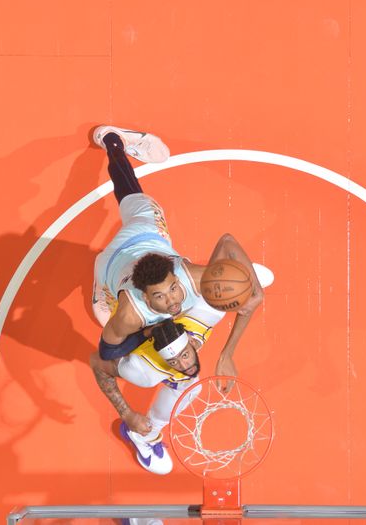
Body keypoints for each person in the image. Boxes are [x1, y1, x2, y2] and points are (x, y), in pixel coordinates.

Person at [90, 126, 273, 382]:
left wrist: (254, 289)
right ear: (145, 296)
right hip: (121, 250)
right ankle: (115, 142)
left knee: (129, 192)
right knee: (128, 193)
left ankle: (113, 141)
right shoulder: (132, 313)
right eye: (160, 297)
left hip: (138, 242)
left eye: (172, 289)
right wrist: (146, 332)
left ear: (176, 277)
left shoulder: (192, 278)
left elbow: (228, 242)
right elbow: (107, 350)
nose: (172, 302)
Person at [89, 299, 225, 474]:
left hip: (143, 304)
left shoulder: (203, 319)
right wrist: (127, 414)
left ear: (191, 341)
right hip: (106, 304)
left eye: (185, 355)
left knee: (190, 384)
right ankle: (138, 435)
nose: (184, 366)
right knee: (189, 382)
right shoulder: (144, 371)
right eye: (173, 361)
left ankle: (149, 434)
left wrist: (227, 353)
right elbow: (97, 361)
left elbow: (227, 289)